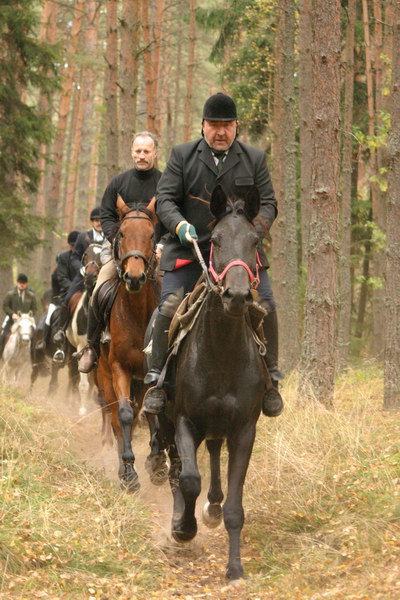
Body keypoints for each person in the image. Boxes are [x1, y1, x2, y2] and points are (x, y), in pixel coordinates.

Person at [143, 92, 284, 417]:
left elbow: (269, 204)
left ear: (236, 126)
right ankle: (158, 381)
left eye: (227, 125)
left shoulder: (254, 158)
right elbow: (164, 200)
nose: (220, 132)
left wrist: (253, 234)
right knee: (168, 307)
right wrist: (179, 227)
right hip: (190, 252)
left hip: (239, 256)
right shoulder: (181, 156)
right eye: (214, 125)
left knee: (266, 302)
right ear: (203, 126)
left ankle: (271, 380)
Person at [75, 131, 163, 373]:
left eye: (147, 151)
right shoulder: (118, 183)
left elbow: (169, 215)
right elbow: (106, 215)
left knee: (176, 291)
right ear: (131, 152)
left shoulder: (165, 183)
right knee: (100, 287)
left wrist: (162, 245)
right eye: (138, 151)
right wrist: (118, 241)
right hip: (121, 250)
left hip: (156, 252)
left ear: (155, 153)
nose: (142, 155)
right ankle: (92, 347)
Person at [52, 208, 104, 363]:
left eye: (100, 220)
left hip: (103, 277)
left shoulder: (109, 236)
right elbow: (75, 257)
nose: (98, 223)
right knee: (68, 297)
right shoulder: (83, 237)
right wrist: (81, 268)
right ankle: (61, 331)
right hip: (84, 277)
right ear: (92, 222)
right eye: (95, 220)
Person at [36, 230, 80, 352]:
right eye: (72, 245)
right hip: (60, 298)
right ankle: (44, 341)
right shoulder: (56, 272)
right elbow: (57, 288)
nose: (74, 248)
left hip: (80, 294)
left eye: (76, 245)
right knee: (49, 315)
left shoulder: (83, 258)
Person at [0, 273, 37, 359]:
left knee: (35, 337)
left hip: (26, 321)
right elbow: (5, 306)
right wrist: (12, 314)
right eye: (20, 283)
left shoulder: (31, 296)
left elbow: (34, 308)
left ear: (26, 284)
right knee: (3, 336)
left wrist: (30, 314)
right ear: (17, 283)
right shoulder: (10, 294)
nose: (22, 285)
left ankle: (34, 359)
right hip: (12, 319)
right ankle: (1, 355)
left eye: (24, 283)